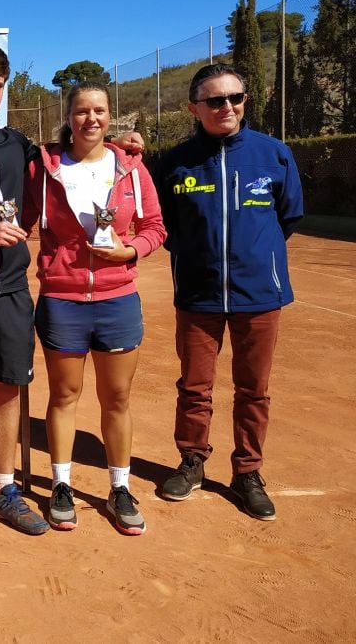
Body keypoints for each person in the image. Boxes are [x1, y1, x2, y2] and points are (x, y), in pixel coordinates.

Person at [0, 43, 144, 544]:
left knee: (5, 388)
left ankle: (2, 488)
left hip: (12, 292)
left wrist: (125, 145)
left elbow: (78, 153)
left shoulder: (20, 146)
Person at [154, 63, 303, 521]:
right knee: (194, 388)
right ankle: (192, 461)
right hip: (198, 297)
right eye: (215, 100)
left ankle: (247, 472)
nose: (227, 107)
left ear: (245, 101)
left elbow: (289, 217)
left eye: (235, 98)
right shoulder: (174, 163)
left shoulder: (274, 155)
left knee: (253, 390)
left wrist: (255, 260)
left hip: (259, 295)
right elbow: (165, 226)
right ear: (194, 107)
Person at [21, 83, 166, 535]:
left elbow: (155, 226)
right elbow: (19, 221)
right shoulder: (43, 170)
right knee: (64, 396)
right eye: (82, 111)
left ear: (109, 116)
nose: (91, 119)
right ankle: (61, 484)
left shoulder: (131, 169)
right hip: (63, 299)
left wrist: (132, 251)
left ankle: (119, 487)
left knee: (117, 398)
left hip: (117, 299)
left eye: (99, 111)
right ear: (69, 117)